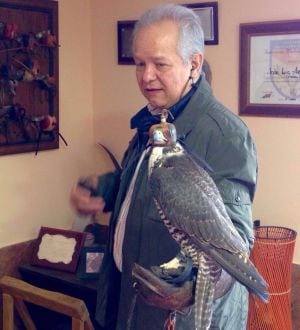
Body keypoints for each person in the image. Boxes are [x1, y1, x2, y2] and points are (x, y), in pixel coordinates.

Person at [70, 4, 257, 330]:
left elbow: (235, 244)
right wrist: (105, 189)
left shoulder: (223, 134)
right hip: (128, 305)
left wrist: (187, 290)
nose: (146, 76)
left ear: (193, 64)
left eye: (160, 63)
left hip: (182, 320)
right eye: (139, 63)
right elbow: (147, 185)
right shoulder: (156, 119)